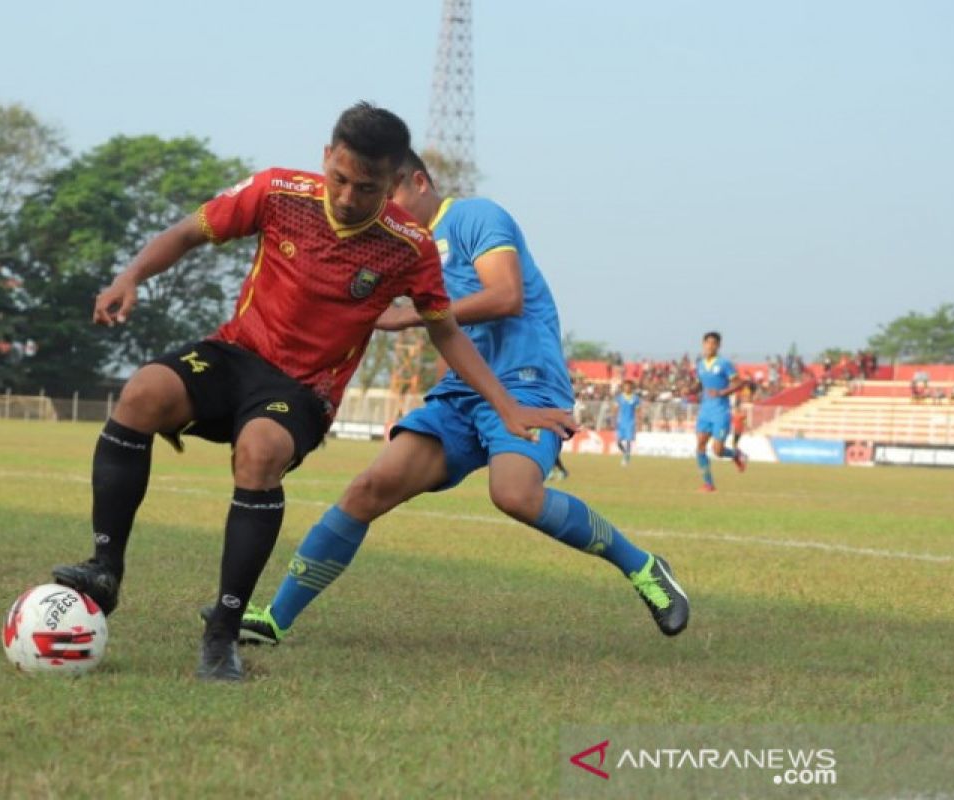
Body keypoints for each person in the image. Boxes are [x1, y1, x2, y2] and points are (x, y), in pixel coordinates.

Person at [49, 104, 572, 682]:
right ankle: (105, 567)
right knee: (143, 392)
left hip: (303, 389)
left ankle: (222, 635)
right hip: (236, 353)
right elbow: (188, 232)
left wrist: (507, 406)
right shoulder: (277, 191)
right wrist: (130, 278)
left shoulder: (408, 247)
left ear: (394, 181)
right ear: (326, 157)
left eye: (367, 187)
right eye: (340, 178)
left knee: (260, 451)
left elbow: (446, 332)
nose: (348, 196)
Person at [221, 149, 689, 649]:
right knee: (368, 489)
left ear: (418, 182)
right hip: (458, 396)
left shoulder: (474, 216)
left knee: (515, 495)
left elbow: (506, 295)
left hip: (524, 384)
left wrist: (406, 316)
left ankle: (642, 566)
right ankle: (275, 618)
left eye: (388, 194)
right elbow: (446, 331)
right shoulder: (407, 249)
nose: (382, 208)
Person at [692, 332, 747, 492]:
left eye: (713, 343)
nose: (710, 346)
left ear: (718, 346)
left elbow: (739, 383)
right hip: (705, 411)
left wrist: (722, 393)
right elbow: (699, 385)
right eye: (707, 342)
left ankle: (736, 455)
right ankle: (708, 483)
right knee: (700, 445)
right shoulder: (700, 364)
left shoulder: (724, 363)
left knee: (718, 450)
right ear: (703, 344)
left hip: (720, 411)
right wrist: (690, 389)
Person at [615, 379, 641, 466]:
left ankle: (627, 459)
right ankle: (625, 453)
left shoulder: (635, 398)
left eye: (629, 386)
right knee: (618, 442)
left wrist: (638, 422)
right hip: (621, 422)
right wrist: (614, 419)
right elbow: (615, 409)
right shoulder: (620, 397)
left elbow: (638, 411)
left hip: (630, 422)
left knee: (628, 441)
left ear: (631, 387)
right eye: (625, 386)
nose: (627, 387)